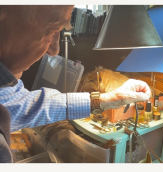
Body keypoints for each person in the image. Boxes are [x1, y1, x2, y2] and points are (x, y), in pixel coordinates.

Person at [0, 5, 151, 163]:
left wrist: (104, 100)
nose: (54, 50)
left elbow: (22, 105)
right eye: (51, 30)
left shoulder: (5, 87)